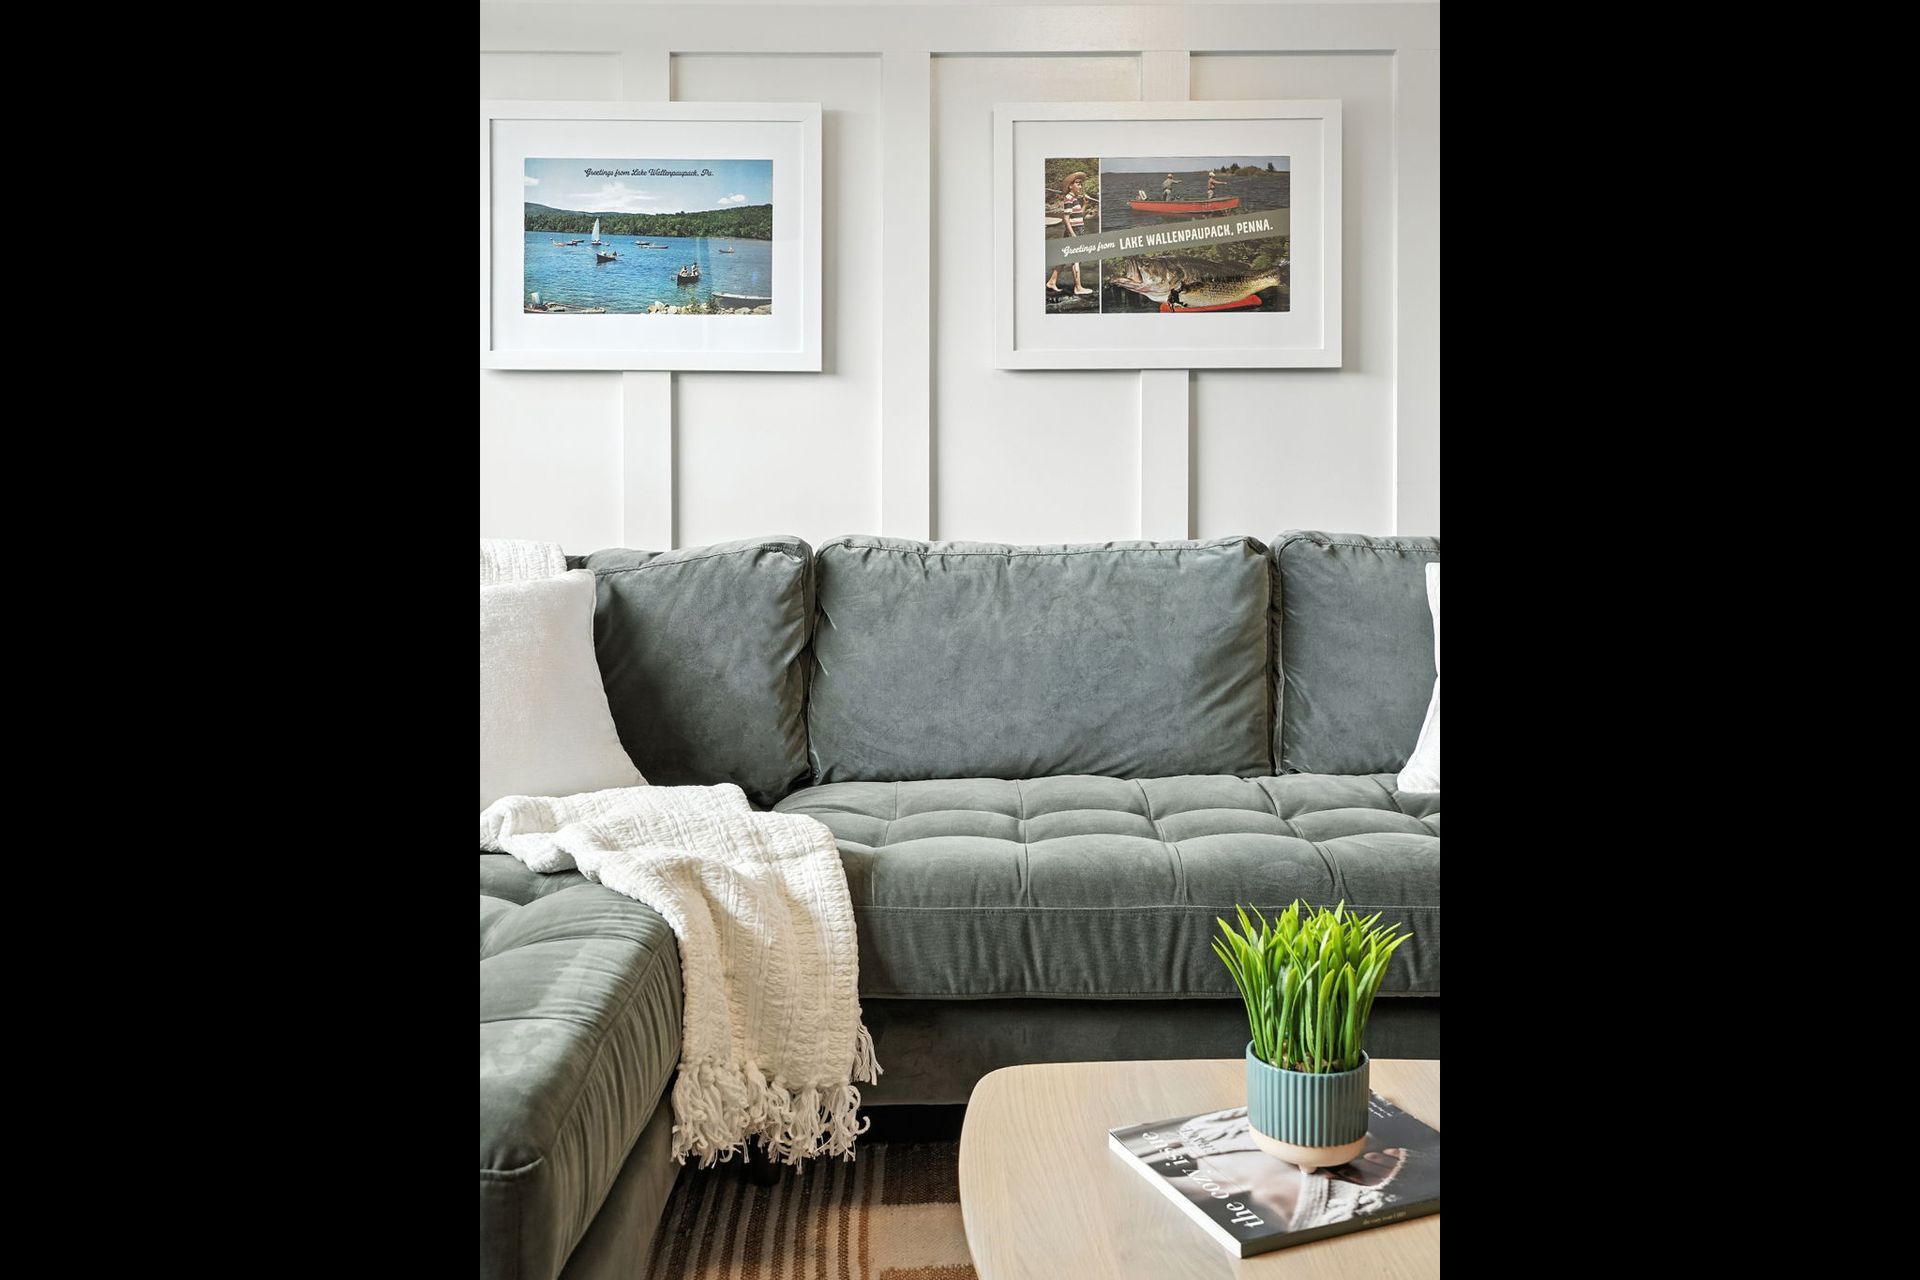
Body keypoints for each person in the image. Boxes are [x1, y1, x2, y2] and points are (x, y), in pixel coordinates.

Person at [1045, 171, 1096, 297]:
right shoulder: (1068, 198)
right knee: (1076, 259)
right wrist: (1072, 233)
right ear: (1071, 186)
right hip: (1074, 231)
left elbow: (1079, 216)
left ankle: (1051, 282)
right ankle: (1078, 288)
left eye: (1081, 184)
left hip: (1078, 229)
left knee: (1065, 257)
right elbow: (1066, 218)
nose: (1080, 186)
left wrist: (1085, 205)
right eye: (1078, 184)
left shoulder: (1075, 199)